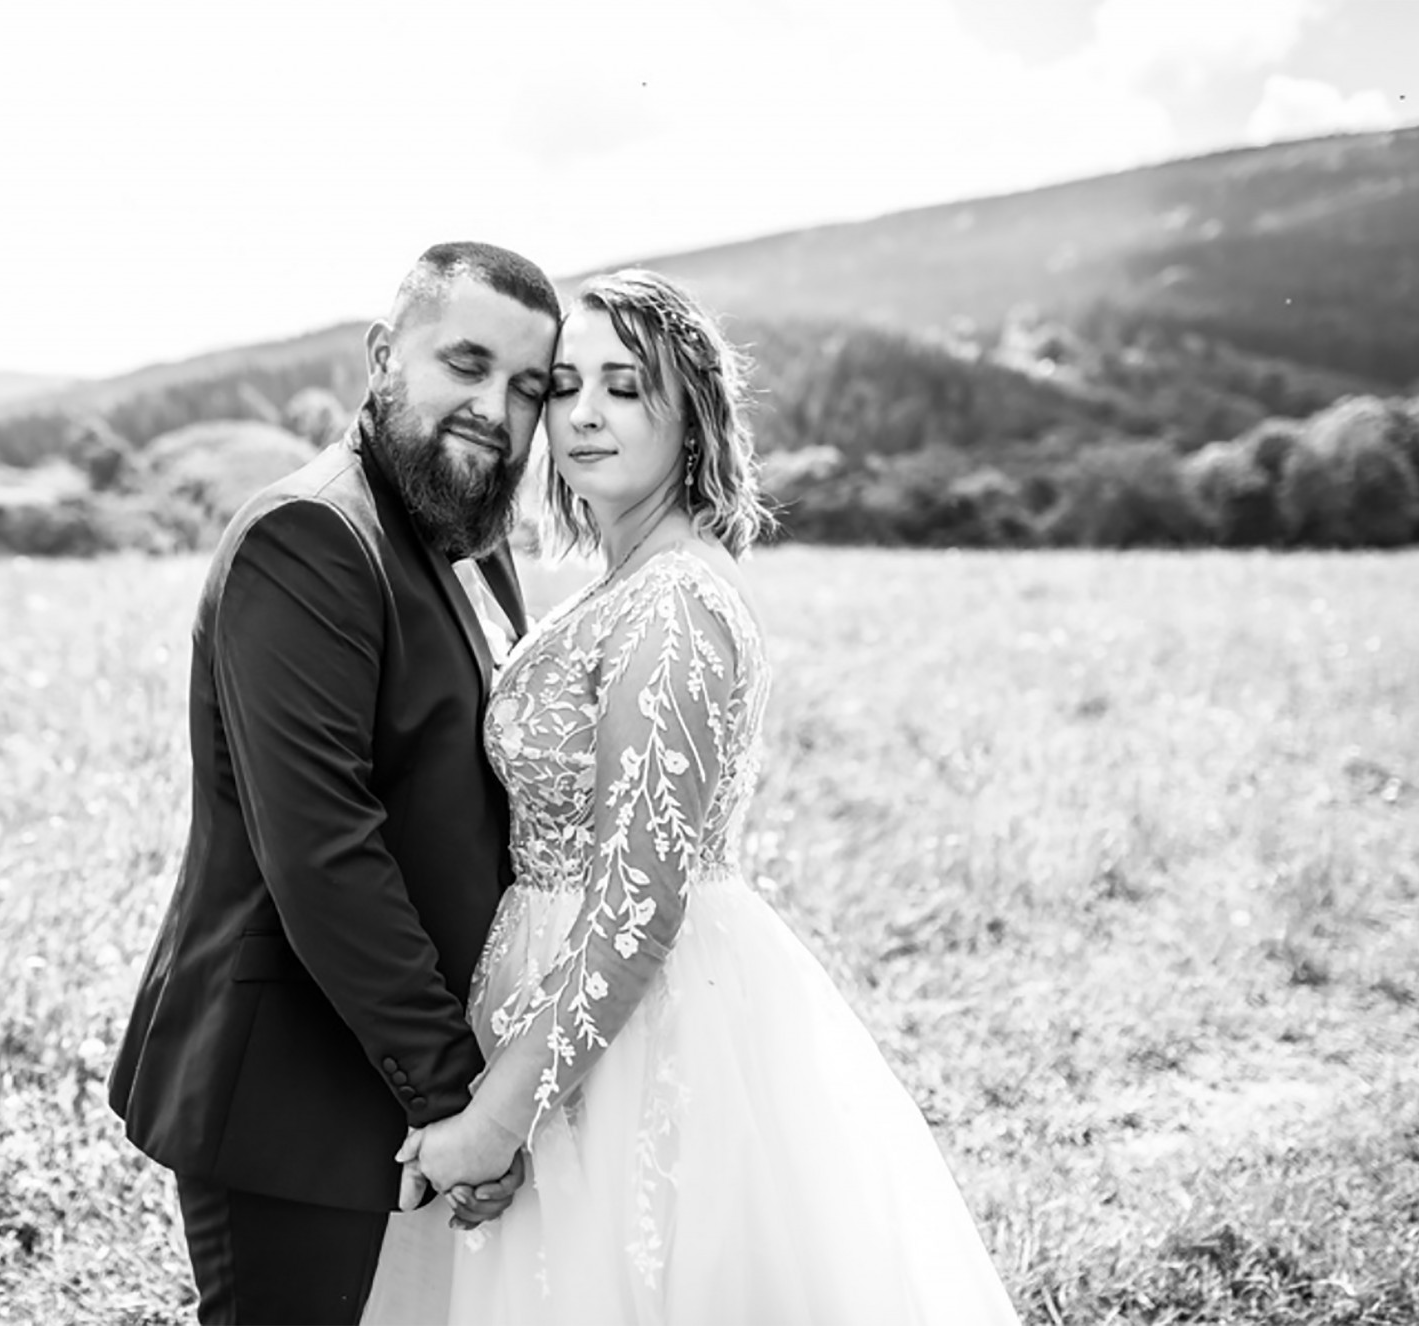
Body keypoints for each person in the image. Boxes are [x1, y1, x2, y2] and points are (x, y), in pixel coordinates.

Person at [363, 270, 1022, 1324]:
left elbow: (636, 906)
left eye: (625, 388)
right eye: (564, 386)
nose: (584, 414)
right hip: (554, 1000)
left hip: (639, 1033)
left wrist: (496, 1118)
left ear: (692, 417)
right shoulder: (619, 585)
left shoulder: (672, 602)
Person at [108, 241, 561, 1325]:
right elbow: (324, 854)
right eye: (466, 364)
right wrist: (460, 1099)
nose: (495, 410)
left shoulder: (465, 533)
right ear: (383, 356)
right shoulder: (310, 534)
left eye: (527, 388)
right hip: (291, 1094)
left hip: (398, 1074)